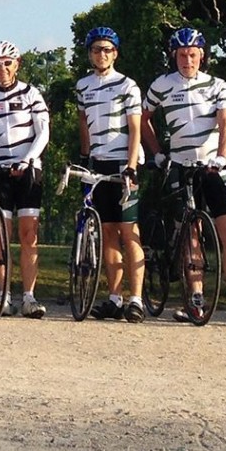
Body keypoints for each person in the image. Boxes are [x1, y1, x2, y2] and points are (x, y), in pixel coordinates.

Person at [142, 28, 226, 327]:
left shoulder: (217, 85)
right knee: (190, 234)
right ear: (173, 56)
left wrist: (222, 156)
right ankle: (196, 298)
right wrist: (157, 153)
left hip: (213, 166)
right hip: (180, 164)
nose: (187, 60)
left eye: (192, 55)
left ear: (201, 56)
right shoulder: (161, 85)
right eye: (181, 55)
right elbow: (143, 119)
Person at [0, 40, 50, 319]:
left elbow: (43, 132)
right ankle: (4, 296)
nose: (2, 68)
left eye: (7, 63)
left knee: (29, 236)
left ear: (17, 64)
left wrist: (27, 160)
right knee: (1, 238)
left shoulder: (31, 93)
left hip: (28, 171)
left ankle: (29, 297)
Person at [74, 26, 145, 322]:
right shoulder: (83, 86)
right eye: (95, 50)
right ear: (89, 53)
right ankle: (114, 297)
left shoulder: (127, 85)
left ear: (115, 53)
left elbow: (136, 129)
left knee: (129, 232)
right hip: (98, 163)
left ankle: (136, 299)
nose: (101, 55)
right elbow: (84, 124)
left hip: (122, 162)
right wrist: (86, 157)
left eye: (106, 50)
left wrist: (131, 166)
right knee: (107, 232)